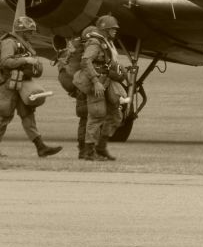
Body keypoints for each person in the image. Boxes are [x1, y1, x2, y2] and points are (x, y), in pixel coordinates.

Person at [0, 17, 62, 158]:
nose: (31, 34)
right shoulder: (9, 42)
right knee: (3, 117)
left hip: (21, 84)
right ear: (21, 30)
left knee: (28, 116)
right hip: (8, 85)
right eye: (29, 31)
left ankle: (41, 148)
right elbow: (4, 61)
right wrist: (25, 60)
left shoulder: (24, 44)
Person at [73, 15, 126, 161]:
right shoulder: (95, 44)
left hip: (107, 81)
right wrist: (96, 81)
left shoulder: (106, 43)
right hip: (97, 83)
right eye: (112, 29)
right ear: (105, 29)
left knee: (116, 116)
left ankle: (101, 148)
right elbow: (85, 61)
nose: (115, 31)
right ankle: (89, 152)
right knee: (96, 115)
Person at [55, 25, 97, 159]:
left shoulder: (73, 46)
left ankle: (82, 150)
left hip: (73, 85)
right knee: (91, 119)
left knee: (84, 120)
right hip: (83, 88)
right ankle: (88, 150)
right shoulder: (87, 51)